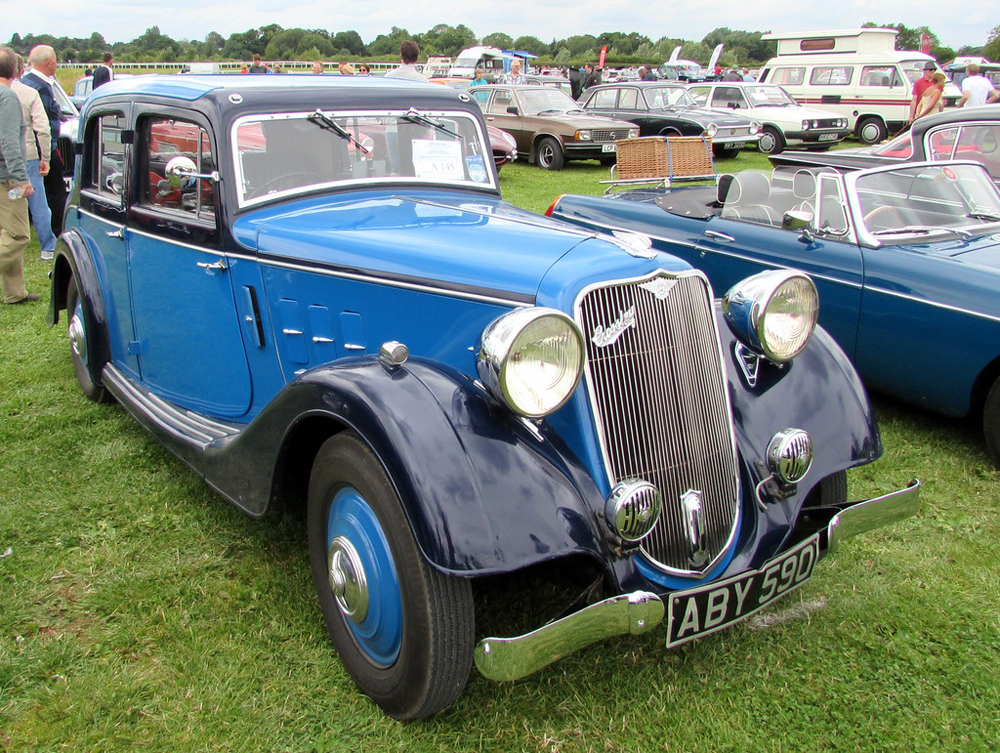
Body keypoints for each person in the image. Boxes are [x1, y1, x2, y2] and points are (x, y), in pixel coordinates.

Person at [0, 46, 39, 305]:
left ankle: (15, 292)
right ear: (17, 69)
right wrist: (22, 178)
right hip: (5, 177)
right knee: (18, 235)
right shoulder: (7, 97)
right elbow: (9, 142)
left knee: (4, 231)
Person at [21, 45, 67, 237]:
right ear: (49, 62)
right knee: (55, 192)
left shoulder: (26, 82)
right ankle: (57, 229)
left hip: (29, 146)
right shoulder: (40, 87)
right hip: (42, 146)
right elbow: (44, 123)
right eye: (55, 60)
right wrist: (47, 152)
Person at [12, 55, 54, 260]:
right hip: (27, 152)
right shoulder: (29, 93)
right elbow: (43, 128)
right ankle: (47, 245)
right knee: (37, 203)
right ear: (20, 71)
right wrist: (45, 156)